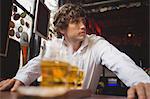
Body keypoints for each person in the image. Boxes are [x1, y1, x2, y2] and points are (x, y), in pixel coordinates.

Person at [0, 3, 150, 99]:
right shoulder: (54, 46)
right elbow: (35, 64)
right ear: (61, 29)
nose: (83, 26)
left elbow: (119, 61)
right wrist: (19, 79)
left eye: (83, 21)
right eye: (76, 22)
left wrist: (142, 81)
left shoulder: (97, 43)